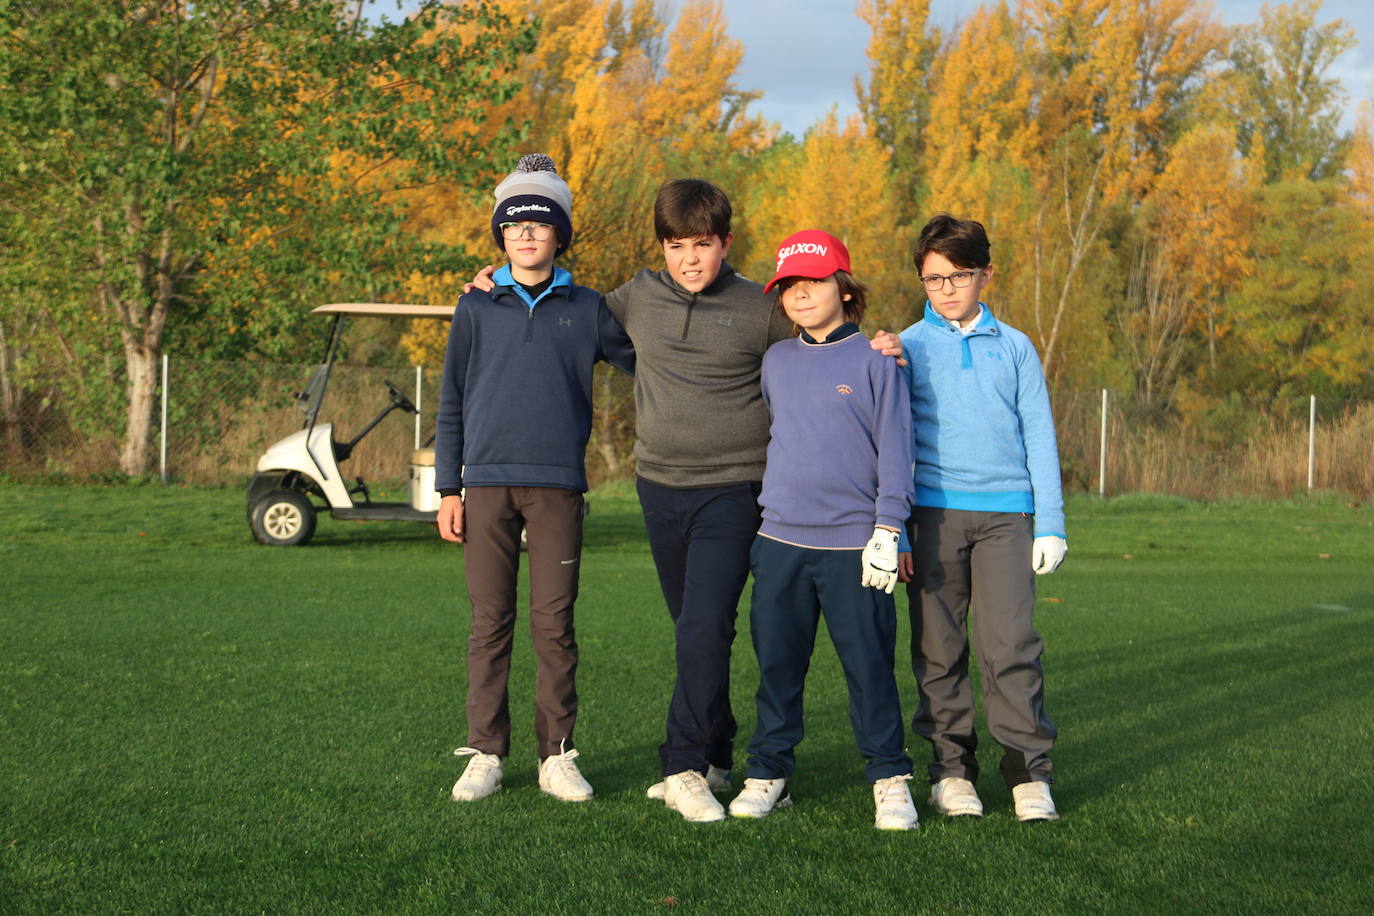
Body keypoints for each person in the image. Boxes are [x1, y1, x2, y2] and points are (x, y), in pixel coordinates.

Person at [469, 179, 902, 823]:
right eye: (676, 246)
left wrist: (880, 341)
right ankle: (720, 749)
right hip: (658, 488)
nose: (690, 260)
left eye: (703, 245)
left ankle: (685, 766)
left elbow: (824, 331)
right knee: (695, 629)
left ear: (725, 243)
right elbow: (559, 305)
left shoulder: (761, 307)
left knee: (704, 625)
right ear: (662, 249)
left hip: (734, 490)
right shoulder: (632, 299)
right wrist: (498, 281)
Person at [435, 154, 635, 805]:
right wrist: (447, 487)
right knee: (489, 622)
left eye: (539, 224)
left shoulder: (590, 308)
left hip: (557, 488)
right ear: (501, 234)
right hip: (486, 486)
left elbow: (656, 354)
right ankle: (487, 752)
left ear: (559, 235)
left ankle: (557, 755)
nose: (526, 234)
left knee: (554, 624)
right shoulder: (476, 307)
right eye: (514, 223)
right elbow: (451, 400)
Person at [726, 230, 919, 831]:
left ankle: (889, 776)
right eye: (789, 286)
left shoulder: (876, 359)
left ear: (844, 286)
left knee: (869, 669)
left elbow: (896, 449)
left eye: (813, 282)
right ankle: (769, 771)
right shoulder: (777, 360)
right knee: (778, 666)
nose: (801, 295)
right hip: (780, 542)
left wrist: (890, 529)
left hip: (854, 548)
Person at [895, 213, 1068, 822]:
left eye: (959, 276)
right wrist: (891, 525)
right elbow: (888, 441)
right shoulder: (905, 348)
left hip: (1006, 519)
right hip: (933, 517)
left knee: (1010, 646)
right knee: (939, 651)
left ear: (985, 274)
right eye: (933, 279)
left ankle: (1027, 774)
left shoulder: (1015, 347)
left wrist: (1050, 522)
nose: (946, 290)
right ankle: (951, 772)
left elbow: (1038, 436)